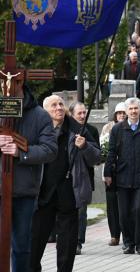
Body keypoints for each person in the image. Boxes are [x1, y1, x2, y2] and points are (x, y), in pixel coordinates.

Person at [30, 95, 101, 272]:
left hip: (69, 191)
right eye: (53, 105)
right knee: (35, 241)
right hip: (42, 192)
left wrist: (85, 146)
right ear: (45, 110)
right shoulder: (38, 129)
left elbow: (97, 158)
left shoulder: (79, 129)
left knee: (67, 243)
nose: (59, 108)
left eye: (61, 104)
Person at [0, 84, 57, 272]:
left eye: (12, 89)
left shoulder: (39, 115)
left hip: (25, 190)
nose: (7, 92)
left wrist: (21, 152)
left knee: (21, 246)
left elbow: (49, 150)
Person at [103, 98, 140, 255]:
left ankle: (139, 243)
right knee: (124, 213)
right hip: (123, 177)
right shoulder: (117, 129)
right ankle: (128, 243)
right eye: (131, 109)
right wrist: (108, 173)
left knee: (139, 210)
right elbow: (111, 152)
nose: (133, 111)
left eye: (136, 108)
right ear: (126, 111)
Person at [69, 102, 100, 255]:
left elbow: (97, 154)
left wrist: (85, 146)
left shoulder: (91, 130)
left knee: (81, 211)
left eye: (84, 113)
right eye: (79, 113)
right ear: (72, 115)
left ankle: (78, 242)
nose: (82, 116)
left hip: (85, 176)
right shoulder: (66, 129)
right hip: (68, 176)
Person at [100, 102, 126, 247]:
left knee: (125, 204)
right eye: (119, 113)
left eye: (123, 112)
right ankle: (114, 235)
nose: (121, 115)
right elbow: (103, 148)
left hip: (125, 171)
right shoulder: (108, 127)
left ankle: (127, 234)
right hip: (111, 170)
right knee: (111, 204)